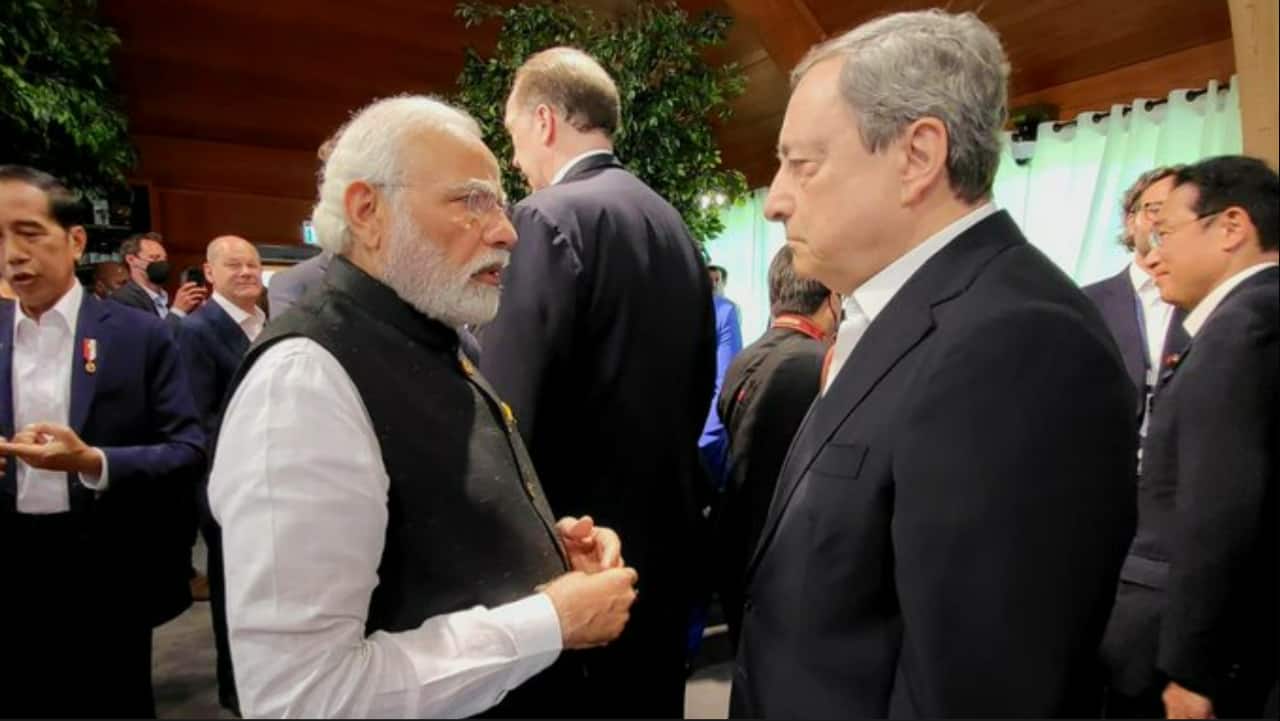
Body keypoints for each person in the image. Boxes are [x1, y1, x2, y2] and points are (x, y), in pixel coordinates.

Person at [730, 11, 1137, 718]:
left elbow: (979, 687)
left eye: (803, 164)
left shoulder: (1016, 342)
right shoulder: (902, 316)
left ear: (917, 155)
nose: (777, 200)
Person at [208, 96, 638, 719]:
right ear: (368, 211)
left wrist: (546, 553)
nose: (507, 231)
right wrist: (550, 620)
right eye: (471, 200)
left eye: (499, 202)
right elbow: (300, 696)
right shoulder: (303, 381)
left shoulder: (430, 337)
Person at [479, 47, 716, 717]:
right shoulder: (672, 225)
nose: (515, 157)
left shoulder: (545, 218)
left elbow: (509, 413)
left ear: (545, 121)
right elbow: (697, 380)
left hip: (577, 555)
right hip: (663, 543)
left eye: (513, 133)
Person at [0, 165, 206, 717]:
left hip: (104, 564)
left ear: (75, 240)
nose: (13, 254)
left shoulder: (139, 335)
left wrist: (93, 461)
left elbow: (187, 447)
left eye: (29, 233)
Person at [1101, 155, 1277, 720]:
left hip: (1196, 648)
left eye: (1166, 233)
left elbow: (1219, 507)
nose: (1153, 255)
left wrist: (1193, 669)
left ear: (1231, 227)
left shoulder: (1242, 330)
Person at [715, 246, 836, 650]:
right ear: (832, 299)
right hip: (790, 558)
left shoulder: (746, 357)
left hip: (737, 542)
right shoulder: (821, 365)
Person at [178, 234, 265, 715]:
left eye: (252, 263)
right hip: (229, 484)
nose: (247, 271)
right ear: (209, 273)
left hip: (270, 482)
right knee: (232, 590)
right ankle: (237, 691)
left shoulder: (265, 324)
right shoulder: (198, 330)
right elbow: (198, 417)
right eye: (234, 265)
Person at [1084, 166, 1190, 426]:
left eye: (1178, 211)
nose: (1165, 220)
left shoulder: (1210, 299)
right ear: (1131, 221)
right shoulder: (1087, 303)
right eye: (1156, 209)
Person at [111, 231, 207, 326]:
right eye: (154, 258)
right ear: (131, 260)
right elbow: (152, 335)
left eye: (164, 259)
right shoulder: (122, 300)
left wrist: (198, 311)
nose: (162, 264)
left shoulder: (169, 298)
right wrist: (178, 310)